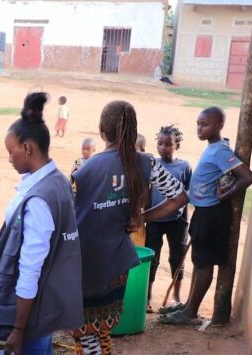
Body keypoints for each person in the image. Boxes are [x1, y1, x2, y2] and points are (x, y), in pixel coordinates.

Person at [68, 100, 188, 354]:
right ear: (133, 130)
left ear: (102, 130)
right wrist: (143, 217)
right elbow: (179, 197)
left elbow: (66, 215)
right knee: (103, 327)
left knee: (85, 333)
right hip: (118, 261)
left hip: (85, 261)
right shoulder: (147, 163)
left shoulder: (82, 168)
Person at [0, 92, 82, 355]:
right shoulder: (57, 180)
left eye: (11, 151)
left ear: (27, 148)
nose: (9, 158)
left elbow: (30, 269)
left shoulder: (39, 200)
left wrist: (19, 329)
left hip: (31, 313)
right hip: (45, 304)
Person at [160, 107, 252, 326]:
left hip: (212, 214)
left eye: (205, 124)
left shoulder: (220, 151)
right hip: (203, 211)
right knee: (199, 260)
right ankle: (188, 307)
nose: (199, 128)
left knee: (204, 264)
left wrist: (226, 196)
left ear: (219, 126)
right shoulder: (213, 148)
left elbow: (247, 177)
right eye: (198, 124)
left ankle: (190, 313)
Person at [146, 125, 192, 313]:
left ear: (177, 145)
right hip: (154, 221)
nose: (164, 147)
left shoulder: (184, 166)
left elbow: (188, 193)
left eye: (168, 144)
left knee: (177, 258)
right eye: (160, 144)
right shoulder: (152, 165)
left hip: (177, 221)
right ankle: (147, 296)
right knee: (152, 258)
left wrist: (185, 217)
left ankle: (176, 297)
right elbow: (146, 192)